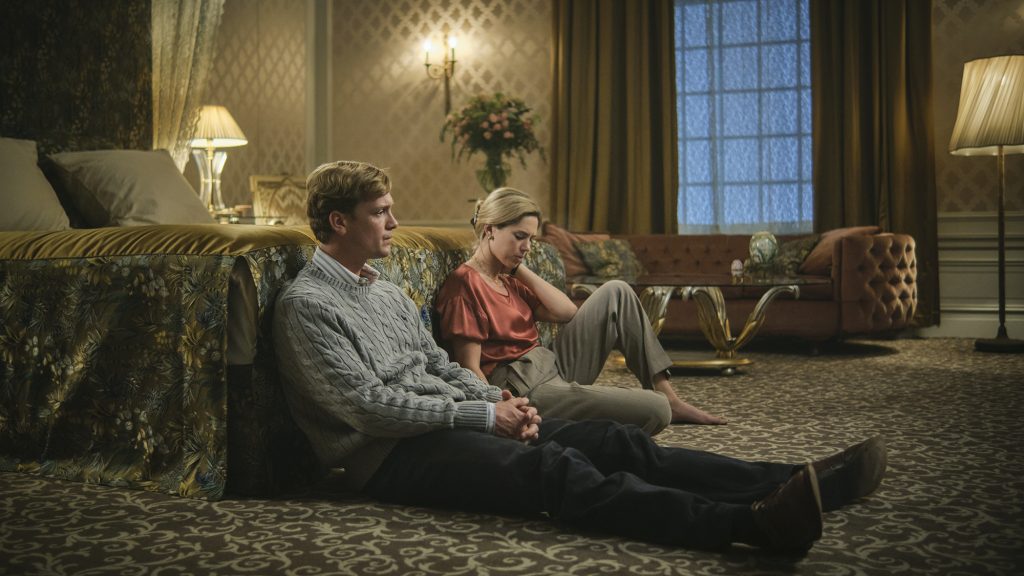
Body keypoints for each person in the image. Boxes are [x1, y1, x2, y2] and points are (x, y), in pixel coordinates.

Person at [272, 160, 887, 552]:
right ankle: (748, 525)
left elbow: (436, 364)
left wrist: (500, 402)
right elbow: (368, 407)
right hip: (388, 458)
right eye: (380, 212)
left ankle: (792, 481)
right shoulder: (307, 305)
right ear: (338, 221)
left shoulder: (382, 289)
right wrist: (486, 415)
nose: (394, 222)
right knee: (557, 469)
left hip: (452, 420)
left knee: (618, 443)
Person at [435, 187, 723, 435]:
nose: (527, 247)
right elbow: (469, 367)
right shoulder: (465, 285)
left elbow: (566, 312)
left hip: (549, 363)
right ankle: (649, 407)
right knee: (656, 410)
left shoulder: (507, 278)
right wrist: (502, 411)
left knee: (617, 291)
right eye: (520, 236)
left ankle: (668, 394)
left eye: (531, 239)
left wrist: (517, 268)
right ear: (489, 230)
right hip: (524, 387)